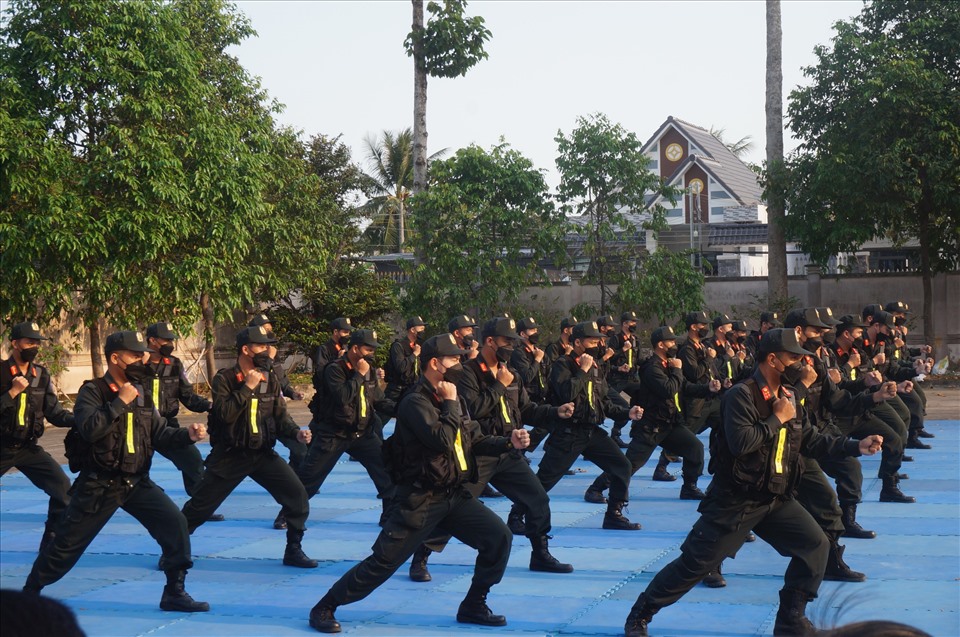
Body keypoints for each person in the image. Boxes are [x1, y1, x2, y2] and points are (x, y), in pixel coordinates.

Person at [622, 328, 883, 637]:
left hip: (775, 498)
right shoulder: (741, 395)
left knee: (816, 545)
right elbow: (742, 442)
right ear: (773, 360)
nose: (804, 364)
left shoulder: (788, 397)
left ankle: (791, 620)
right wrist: (776, 419)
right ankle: (641, 614)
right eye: (795, 358)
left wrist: (856, 445)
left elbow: (809, 440)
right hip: (736, 500)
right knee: (693, 564)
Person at [307, 334, 529, 633]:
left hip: (454, 495)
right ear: (435, 363)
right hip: (421, 499)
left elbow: (472, 438)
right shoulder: (415, 401)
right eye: (454, 359)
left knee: (498, 537)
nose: (460, 364)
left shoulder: (452, 398)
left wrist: (507, 442)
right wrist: (450, 404)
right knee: (383, 563)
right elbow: (440, 439)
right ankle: (325, 606)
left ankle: (474, 604)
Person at [24, 330, 209, 612]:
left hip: (137, 483)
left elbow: (159, 434)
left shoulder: (141, 391)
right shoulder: (93, 391)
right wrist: (118, 402)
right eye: (135, 355)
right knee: (65, 547)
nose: (142, 360)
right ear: (115, 358)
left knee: (176, 525)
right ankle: (29, 594)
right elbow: (88, 429)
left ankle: (174, 591)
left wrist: (188, 436)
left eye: (143, 354)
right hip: (99, 485)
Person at [411, 318, 574, 582]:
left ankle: (540, 553)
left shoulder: (511, 374)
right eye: (507, 341)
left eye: (513, 342)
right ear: (490, 341)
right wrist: (498, 385)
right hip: (479, 453)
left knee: (538, 499)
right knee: (454, 506)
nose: (511, 346)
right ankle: (421, 557)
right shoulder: (466, 373)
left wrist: (556, 412)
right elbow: (472, 410)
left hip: (508, 453)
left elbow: (527, 409)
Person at [180, 326, 317, 568]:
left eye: (268, 346)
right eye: (262, 346)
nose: (267, 351)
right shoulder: (225, 378)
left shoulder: (270, 377)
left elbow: (280, 416)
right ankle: (175, 551)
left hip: (263, 454)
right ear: (246, 349)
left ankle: (293, 550)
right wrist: (247, 388)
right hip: (230, 455)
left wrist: (296, 433)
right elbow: (223, 414)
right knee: (199, 508)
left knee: (298, 497)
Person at [584, 326, 720, 504]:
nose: (674, 345)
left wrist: (707, 388)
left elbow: (685, 387)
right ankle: (596, 489)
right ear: (661, 345)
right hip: (651, 426)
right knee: (630, 464)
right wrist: (678, 370)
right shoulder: (652, 368)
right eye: (671, 342)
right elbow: (668, 390)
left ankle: (689, 487)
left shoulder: (669, 364)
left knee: (695, 449)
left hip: (670, 423)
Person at [280, 329, 395, 530]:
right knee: (310, 478)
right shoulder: (335, 369)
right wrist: (358, 374)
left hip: (362, 433)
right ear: (356, 348)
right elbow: (342, 397)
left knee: (387, 473)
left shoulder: (368, 370)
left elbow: (378, 400)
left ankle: (390, 516)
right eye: (368, 349)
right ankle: (287, 515)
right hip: (334, 433)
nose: (371, 354)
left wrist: (402, 409)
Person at [533, 321, 644, 530]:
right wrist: (582, 370)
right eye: (592, 340)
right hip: (568, 433)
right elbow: (567, 394)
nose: (597, 343)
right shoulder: (563, 365)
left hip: (591, 431)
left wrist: (626, 412)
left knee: (622, 466)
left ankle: (614, 514)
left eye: (598, 340)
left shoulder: (595, 366)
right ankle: (517, 514)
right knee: (545, 480)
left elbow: (603, 402)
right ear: (577, 342)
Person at [1, 322, 74, 553]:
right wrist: (12, 392)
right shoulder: (1, 371)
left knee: (63, 489)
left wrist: (83, 419)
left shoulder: (41, 374)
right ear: (15, 344)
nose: (34, 347)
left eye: (36, 343)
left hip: (27, 449)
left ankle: (51, 540)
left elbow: (54, 412)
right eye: (29, 342)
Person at [141, 322, 222, 522]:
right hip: (140, 426)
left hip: (168, 425)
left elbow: (188, 397)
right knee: (136, 469)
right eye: (166, 340)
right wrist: (139, 365)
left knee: (192, 459)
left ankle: (199, 506)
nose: (170, 343)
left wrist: (211, 406)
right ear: (152, 341)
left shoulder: (174, 364)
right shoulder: (136, 365)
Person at [651, 310, 721, 483]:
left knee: (724, 425)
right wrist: (708, 360)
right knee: (687, 435)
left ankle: (718, 461)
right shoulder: (687, 349)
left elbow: (710, 372)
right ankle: (662, 466)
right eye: (703, 325)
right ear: (693, 327)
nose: (706, 328)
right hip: (695, 401)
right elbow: (695, 373)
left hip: (709, 397)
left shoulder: (703, 346)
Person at [248, 315, 308, 478]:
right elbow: (260, 379)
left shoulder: (272, 359)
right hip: (256, 416)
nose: (270, 333)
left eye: (270, 330)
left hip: (278, 413)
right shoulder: (249, 360)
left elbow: (281, 380)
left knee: (300, 445)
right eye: (265, 330)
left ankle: (295, 477)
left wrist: (291, 392)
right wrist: (268, 358)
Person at [607, 311, 642, 448]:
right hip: (617, 378)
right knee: (620, 405)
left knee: (642, 396)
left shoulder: (635, 339)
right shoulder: (616, 339)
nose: (635, 324)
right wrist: (623, 349)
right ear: (624, 324)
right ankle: (615, 434)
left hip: (632, 377)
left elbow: (637, 358)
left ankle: (635, 428)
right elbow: (609, 358)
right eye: (632, 322)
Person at [384, 316, 426, 405]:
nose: (423, 331)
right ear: (412, 330)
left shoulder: (417, 346)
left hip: (411, 389)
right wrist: (414, 354)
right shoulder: (398, 346)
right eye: (421, 328)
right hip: (396, 392)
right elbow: (401, 367)